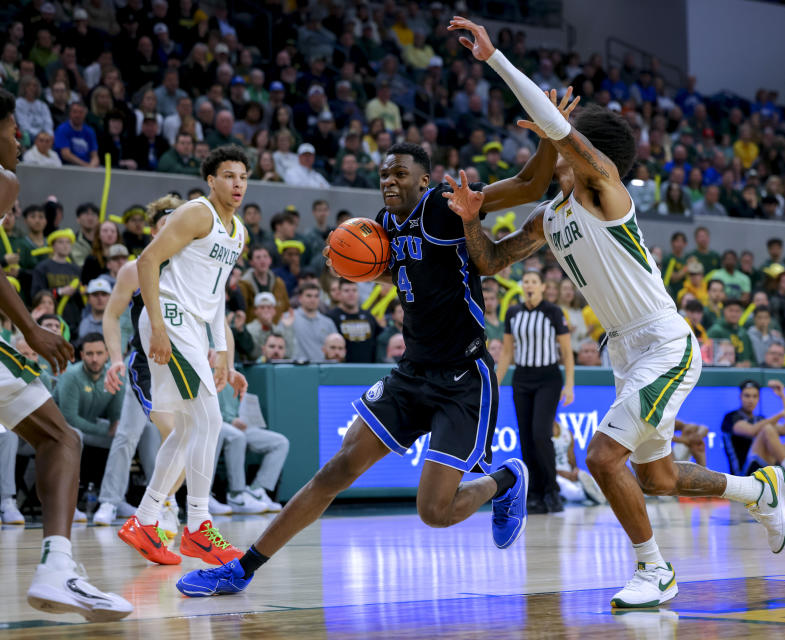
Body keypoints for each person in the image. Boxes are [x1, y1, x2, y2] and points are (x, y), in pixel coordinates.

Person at [444, 18, 785, 609]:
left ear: (590, 151)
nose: (558, 146)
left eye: (567, 139)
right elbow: (495, 261)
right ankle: (757, 491)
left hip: (664, 344)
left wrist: (496, 58)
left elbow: (557, 130)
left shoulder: (608, 190)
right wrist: (472, 217)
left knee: (604, 457)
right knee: (655, 477)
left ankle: (655, 570)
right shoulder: (551, 216)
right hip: (625, 350)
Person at [177, 99, 562, 595]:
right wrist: (358, 266)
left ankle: (506, 480)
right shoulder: (385, 222)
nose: (389, 181)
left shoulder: (447, 207)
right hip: (413, 372)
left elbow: (531, 186)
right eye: (384, 174)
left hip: (463, 378)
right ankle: (241, 569)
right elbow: (404, 271)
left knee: (434, 513)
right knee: (336, 469)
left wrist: (552, 133)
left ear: (424, 181)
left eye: (400, 174)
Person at [0, 86, 132, 620]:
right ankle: (58, 569)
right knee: (61, 438)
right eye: (12, 131)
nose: (17, 142)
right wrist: (30, 327)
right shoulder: (3, 180)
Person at [117, 146, 249, 567]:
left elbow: (215, 299)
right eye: (229, 176)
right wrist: (156, 326)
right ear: (211, 181)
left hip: (193, 324)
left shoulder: (239, 232)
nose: (237, 184)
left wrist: (223, 351)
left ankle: (146, 519)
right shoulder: (196, 213)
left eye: (243, 176)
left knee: (191, 427)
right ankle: (197, 527)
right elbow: (147, 260)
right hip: (169, 316)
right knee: (209, 419)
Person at [93, 195, 186, 533]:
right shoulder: (135, 269)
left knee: (182, 437)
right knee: (131, 436)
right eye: (165, 227)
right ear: (153, 232)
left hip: (180, 366)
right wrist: (115, 360)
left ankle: (167, 503)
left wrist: (221, 356)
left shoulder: (192, 268)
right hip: (145, 365)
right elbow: (111, 315)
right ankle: (110, 500)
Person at [496, 270, 575, 514]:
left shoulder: (553, 312)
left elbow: (566, 350)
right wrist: (496, 383)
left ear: (542, 287)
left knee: (541, 434)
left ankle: (552, 490)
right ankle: (535, 494)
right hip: (522, 378)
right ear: (522, 287)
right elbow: (508, 352)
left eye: (534, 282)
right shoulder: (513, 312)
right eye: (526, 282)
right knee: (527, 439)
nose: (529, 285)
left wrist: (569, 384)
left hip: (548, 378)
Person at [212, 378, 289, 514]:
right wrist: (230, 420)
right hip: (216, 424)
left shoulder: (233, 374)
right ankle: (236, 494)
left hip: (239, 424)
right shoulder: (203, 370)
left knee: (280, 442)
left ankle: (256, 490)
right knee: (237, 437)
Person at [325, 279, 380, 363]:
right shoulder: (330, 317)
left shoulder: (369, 316)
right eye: (346, 291)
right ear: (339, 294)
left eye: (354, 290)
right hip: (343, 369)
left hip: (368, 368)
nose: (351, 294)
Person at [552, 421, 605, 505]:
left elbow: (571, 456)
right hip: (553, 474)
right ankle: (591, 496)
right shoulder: (540, 434)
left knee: (593, 480)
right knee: (570, 489)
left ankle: (595, 495)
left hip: (569, 472)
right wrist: (562, 473)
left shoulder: (566, 432)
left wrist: (574, 469)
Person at [292, 282, 338, 361]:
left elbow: (337, 346)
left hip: (323, 369)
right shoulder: (289, 319)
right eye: (308, 296)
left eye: (316, 296)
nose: (313, 299)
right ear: (300, 298)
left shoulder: (328, 322)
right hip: (297, 368)